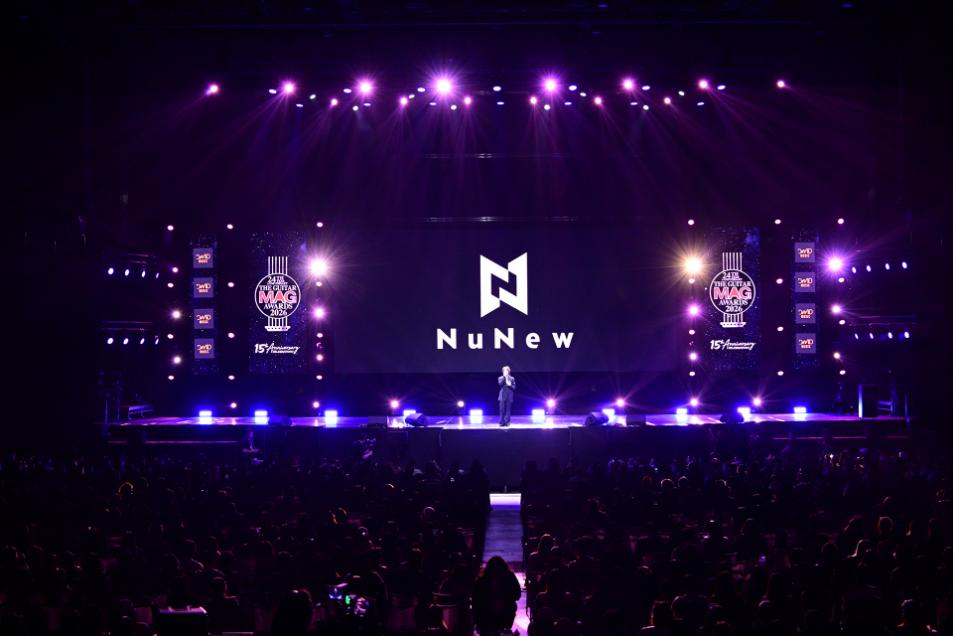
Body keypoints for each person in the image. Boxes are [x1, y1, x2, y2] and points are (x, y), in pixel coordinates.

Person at [472, 556, 521, 635]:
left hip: (493, 614)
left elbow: (517, 594)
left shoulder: (482, 580)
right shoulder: (509, 577)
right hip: (490, 614)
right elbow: (517, 595)